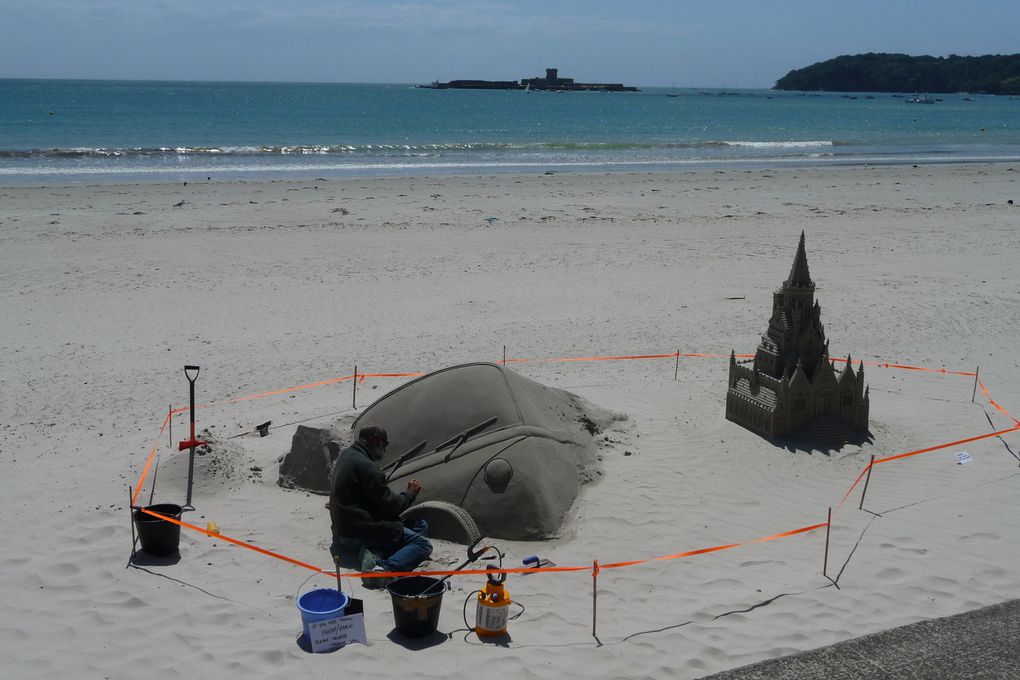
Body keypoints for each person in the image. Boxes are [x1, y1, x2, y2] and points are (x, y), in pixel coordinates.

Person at [329, 425, 432, 587]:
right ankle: (382, 569)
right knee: (423, 544)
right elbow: (392, 507)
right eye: (385, 444)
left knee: (420, 525)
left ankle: (374, 552)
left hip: (343, 529)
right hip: (358, 532)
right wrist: (410, 493)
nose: (384, 450)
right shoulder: (367, 466)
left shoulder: (346, 456)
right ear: (375, 439)